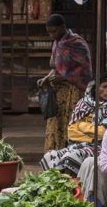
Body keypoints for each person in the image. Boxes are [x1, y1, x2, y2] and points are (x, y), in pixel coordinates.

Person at [38, 14, 93, 151]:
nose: (51, 35)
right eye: (49, 32)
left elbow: (85, 71)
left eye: (54, 31)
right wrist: (46, 78)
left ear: (63, 27)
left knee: (71, 122)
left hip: (73, 92)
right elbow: (55, 68)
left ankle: (71, 153)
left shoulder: (77, 44)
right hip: (58, 94)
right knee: (57, 123)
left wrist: (64, 78)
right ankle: (56, 152)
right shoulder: (57, 43)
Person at [40, 77, 107, 176]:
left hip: (101, 148)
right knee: (51, 156)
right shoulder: (83, 104)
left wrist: (82, 125)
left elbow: (103, 133)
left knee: (72, 156)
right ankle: (56, 185)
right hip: (77, 145)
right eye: (104, 86)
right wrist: (92, 133)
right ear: (95, 88)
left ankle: (73, 186)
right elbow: (71, 132)